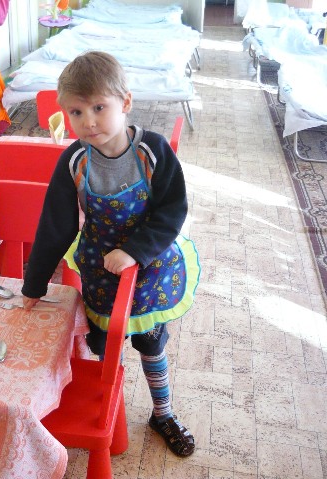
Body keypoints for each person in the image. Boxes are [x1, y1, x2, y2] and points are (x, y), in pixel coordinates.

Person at [21, 51, 200, 457]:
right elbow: (56, 226)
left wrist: (133, 251)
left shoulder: (152, 151)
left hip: (150, 270)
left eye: (99, 108)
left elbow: (173, 211)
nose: (88, 121)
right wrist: (34, 284)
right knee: (103, 347)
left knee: (151, 344)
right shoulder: (74, 160)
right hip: (100, 274)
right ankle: (106, 411)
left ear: (126, 102)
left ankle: (163, 413)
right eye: (76, 112)